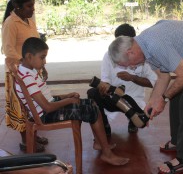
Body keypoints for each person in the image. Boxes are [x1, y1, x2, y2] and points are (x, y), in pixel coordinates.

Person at [108, 20, 183, 174]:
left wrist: (163, 99)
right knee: (177, 96)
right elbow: (163, 78)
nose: (131, 68)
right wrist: (151, 103)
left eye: (127, 64)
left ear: (130, 52)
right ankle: (177, 141)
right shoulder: (145, 49)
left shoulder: (154, 45)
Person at [15, 37, 129, 166]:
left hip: (47, 108)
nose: (45, 61)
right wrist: (69, 100)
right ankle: (107, 154)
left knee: (91, 103)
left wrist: (66, 96)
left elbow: (46, 98)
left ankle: (99, 143)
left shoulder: (28, 71)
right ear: (29, 56)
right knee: (92, 109)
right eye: (42, 57)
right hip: (46, 115)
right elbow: (47, 107)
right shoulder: (27, 78)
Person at [87, 23, 157, 135]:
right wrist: (103, 88)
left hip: (133, 101)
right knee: (92, 93)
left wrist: (133, 78)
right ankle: (104, 126)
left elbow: (154, 82)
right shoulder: (109, 55)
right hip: (114, 97)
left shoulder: (143, 56)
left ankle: (133, 122)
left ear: (132, 42)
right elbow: (105, 80)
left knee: (142, 122)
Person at [1, 0, 48, 152]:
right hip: (18, 74)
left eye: (33, 5)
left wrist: (41, 65)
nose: (32, 9)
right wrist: (26, 64)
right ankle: (26, 141)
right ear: (17, 5)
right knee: (23, 110)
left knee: (33, 106)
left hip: (32, 71)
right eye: (29, 6)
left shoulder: (29, 21)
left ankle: (33, 135)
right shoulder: (10, 23)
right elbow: (9, 51)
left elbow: (36, 48)